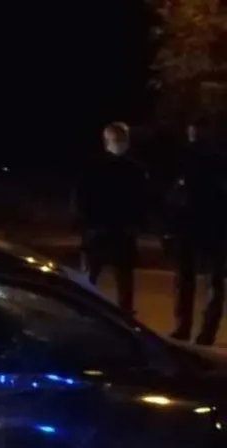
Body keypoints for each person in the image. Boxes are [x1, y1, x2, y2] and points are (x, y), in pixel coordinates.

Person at [74, 122, 148, 316]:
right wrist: (88, 226)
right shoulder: (94, 168)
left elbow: (143, 201)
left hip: (122, 232)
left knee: (124, 278)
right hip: (98, 231)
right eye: (116, 140)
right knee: (90, 276)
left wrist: (137, 225)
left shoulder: (134, 170)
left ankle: (124, 316)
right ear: (106, 142)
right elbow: (81, 199)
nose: (119, 144)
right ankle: (83, 312)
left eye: (122, 139)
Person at [168, 123, 227, 345]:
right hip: (209, 228)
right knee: (210, 280)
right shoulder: (215, 159)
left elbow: (176, 196)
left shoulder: (189, 160)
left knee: (189, 279)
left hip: (196, 227)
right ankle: (204, 330)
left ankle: (186, 327)